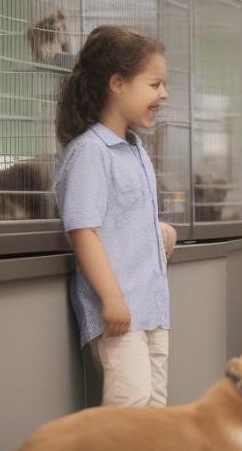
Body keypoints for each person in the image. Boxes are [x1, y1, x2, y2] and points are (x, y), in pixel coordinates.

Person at [54, 26, 176, 407]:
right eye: (155, 84)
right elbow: (83, 230)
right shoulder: (90, 152)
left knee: (154, 405)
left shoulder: (135, 149)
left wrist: (158, 230)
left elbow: (119, 218)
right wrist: (111, 298)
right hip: (121, 313)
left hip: (152, 308)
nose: (164, 94)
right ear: (118, 83)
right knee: (130, 403)